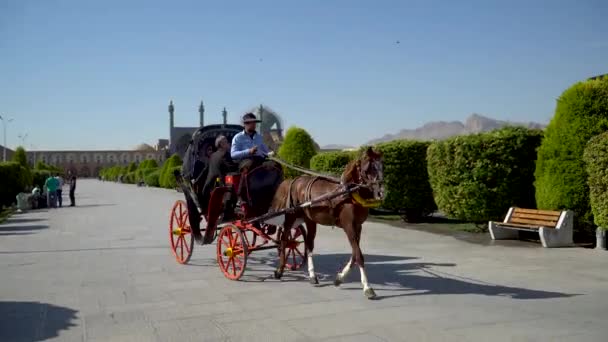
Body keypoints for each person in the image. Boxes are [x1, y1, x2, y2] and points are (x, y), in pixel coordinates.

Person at [230, 113, 271, 206]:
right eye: (251, 123)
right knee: (249, 164)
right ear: (246, 124)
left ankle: (272, 191)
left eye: (254, 123)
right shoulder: (238, 137)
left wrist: (271, 154)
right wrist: (249, 151)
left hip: (259, 160)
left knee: (274, 165)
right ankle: (239, 196)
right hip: (245, 161)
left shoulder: (259, 137)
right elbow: (233, 154)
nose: (254, 125)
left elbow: (265, 151)